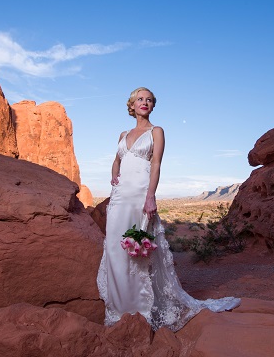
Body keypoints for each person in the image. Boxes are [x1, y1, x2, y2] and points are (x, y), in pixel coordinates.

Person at [96, 87, 240, 331]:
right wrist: (114, 179)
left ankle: (139, 311)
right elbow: (117, 160)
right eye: (140, 99)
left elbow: (156, 164)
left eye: (149, 100)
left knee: (138, 251)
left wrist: (150, 196)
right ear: (132, 104)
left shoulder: (157, 131)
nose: (145, 102)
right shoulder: (123, 133)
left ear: (153, 106)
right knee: (114, 248)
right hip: (120, 196)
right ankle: (119, 309)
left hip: (140, 194)